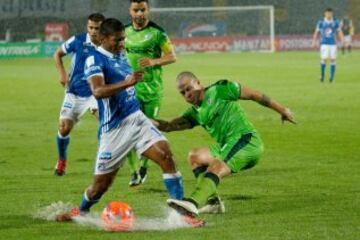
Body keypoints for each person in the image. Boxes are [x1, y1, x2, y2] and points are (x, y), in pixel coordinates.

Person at [56, 19, 203, 227]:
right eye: (118, 40)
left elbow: (129, 86)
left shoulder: (121, 54)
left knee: (166, 155)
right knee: (100, 186)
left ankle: (183, 216)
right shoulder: (94, 60)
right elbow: (97, 91)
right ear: (104, 39)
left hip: (137, 119)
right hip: (115, 129)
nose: (122, 43)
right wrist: (127, 83)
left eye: (123, 39)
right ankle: (80, 210)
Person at [151, 71, 295, 216]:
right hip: (228, 145)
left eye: (189, 88)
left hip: (247, 141)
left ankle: (192, 202)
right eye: (183, 93)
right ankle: (213, 203)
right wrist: (146, 120)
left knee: (216, 166)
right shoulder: (195, 113)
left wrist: (282, 109)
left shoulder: (220, 89)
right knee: (195, 156)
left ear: (198, 83)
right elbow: (169, 126)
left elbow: (254, 94)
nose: (187, 94)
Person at [125, 0, 177, 186]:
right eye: (136, 10)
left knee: (148, 129)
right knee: (129, 128)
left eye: (143, 10)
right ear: (130, 11)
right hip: (129, 89)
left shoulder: (158, 33)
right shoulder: (124, 32)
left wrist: (154, 62)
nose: (139, 13)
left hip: (152, 90)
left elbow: (172, 56)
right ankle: (133, 171)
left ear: (148, 10)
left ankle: (144, 165)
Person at [53, 13, 105, 176]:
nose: (93, 31)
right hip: (74, 92)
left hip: (96, 93)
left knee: (105, 123)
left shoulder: (108, 45)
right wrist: (62, 74)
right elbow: (58, 54)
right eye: (91, 27)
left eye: (97, 28)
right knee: (64, 128)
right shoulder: (78, 40)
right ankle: (62, 159)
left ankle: (103, 160)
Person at [311, 8, 344, 83]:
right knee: (324, 59)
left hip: (333, 44)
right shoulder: (321, 22)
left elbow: (339, 32)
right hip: (324, 43)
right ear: (325, 14)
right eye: (327, 13)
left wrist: (342, 40)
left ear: (332, 14)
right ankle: (322, 75)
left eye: (330, 13)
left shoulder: (336, 22)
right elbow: (316, 32)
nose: (329, 15)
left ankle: (331, 78)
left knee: (333, 59)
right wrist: (313, 41)